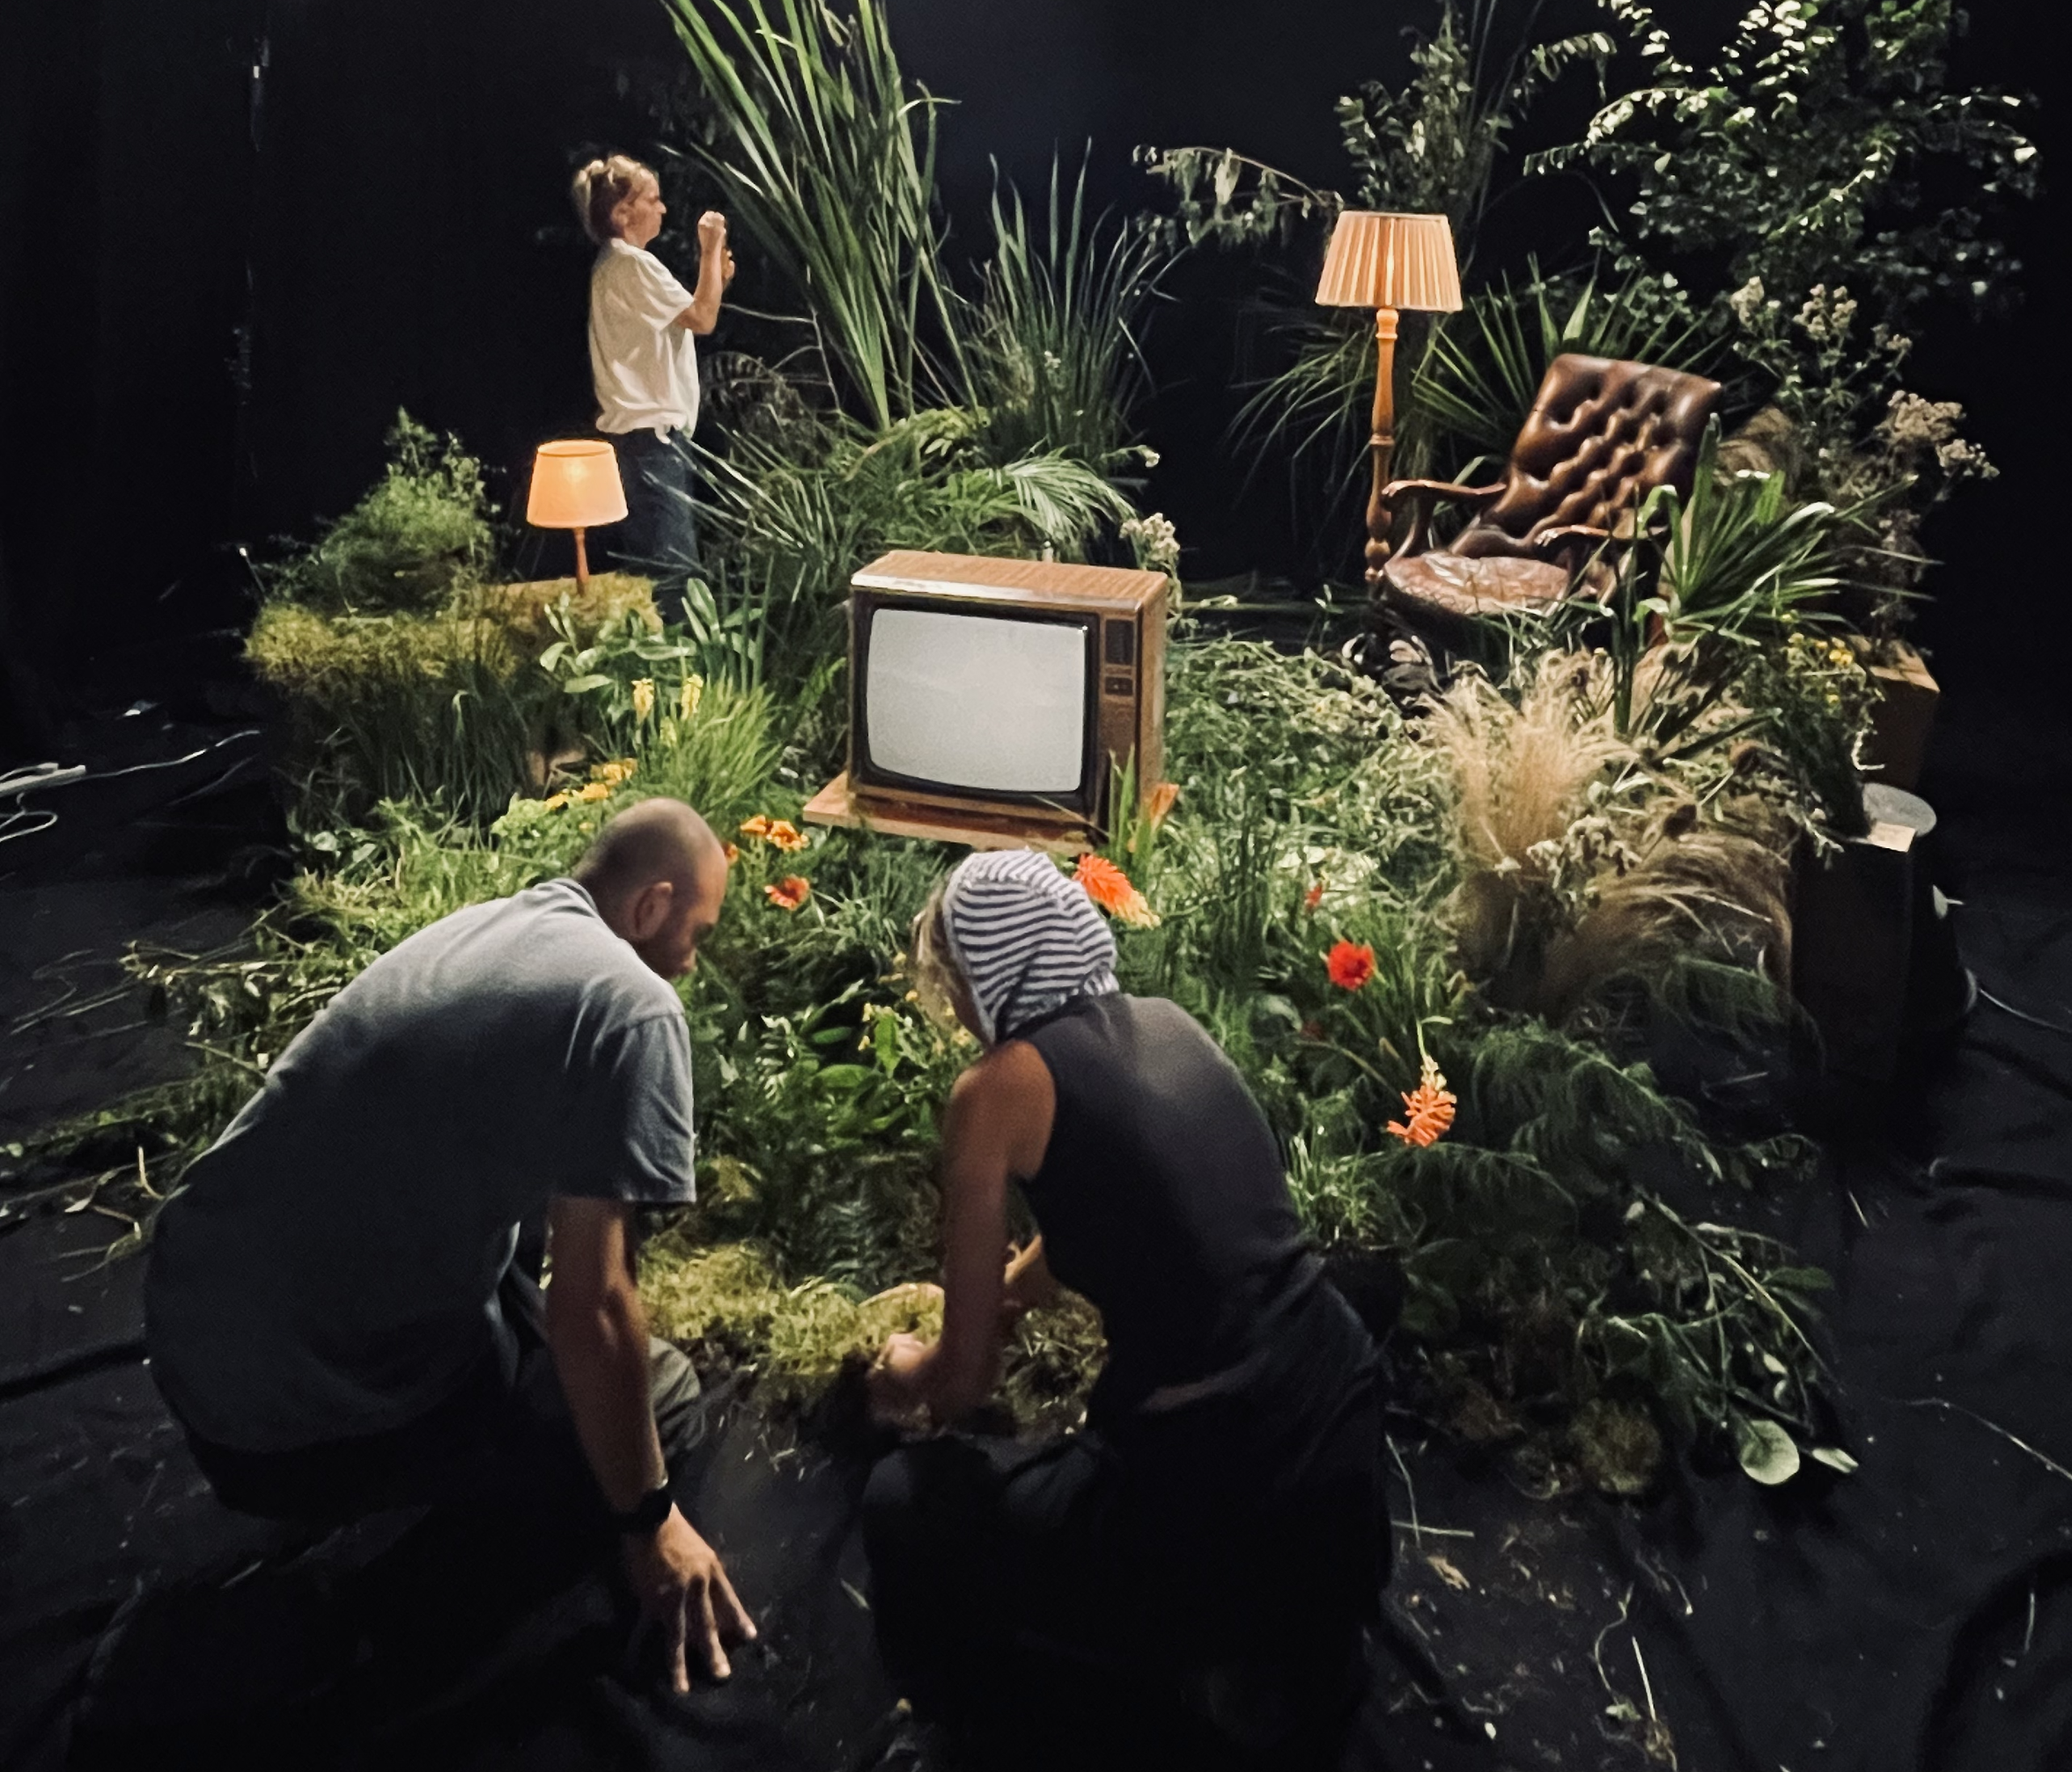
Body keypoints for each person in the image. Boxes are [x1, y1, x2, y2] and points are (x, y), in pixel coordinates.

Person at [146, 801, 753, 1695]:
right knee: (660, 1396)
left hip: (193, 1343)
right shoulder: (635, 1008)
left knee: (519, 1282)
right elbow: (596, 1307)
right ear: (653, 907)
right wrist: (652, 1520)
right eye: (696, 932)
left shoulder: (494, 930)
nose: (693, 960)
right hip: (288, 1422)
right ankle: (374, 1620)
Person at [861, 850, 1390, 1757]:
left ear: (987, 969)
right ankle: (1258, 1660)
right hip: (1344, 1458)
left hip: (1226, 1498)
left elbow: (959, 1382)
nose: (947, 1000)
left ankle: (1000, 1708)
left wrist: (900, 1368)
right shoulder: (1164, 1023)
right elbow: (1118, 1214)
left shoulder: (994, 1092)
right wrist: (1009, 1299)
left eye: (948, 975)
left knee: (900, 1500)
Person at [570, 154, 734, 626]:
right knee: (675, 581)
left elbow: (695, 309)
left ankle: (668, 685)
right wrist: (709, 249)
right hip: (652, 444)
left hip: (646, 446)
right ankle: (680, 687)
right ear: (623, 212)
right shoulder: (631, 265)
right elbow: (703, 318)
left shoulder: (619, 267)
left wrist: (714, 279)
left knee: (663, 572)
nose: (663, 209)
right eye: (653, 199)